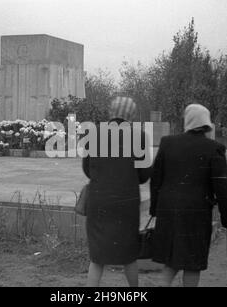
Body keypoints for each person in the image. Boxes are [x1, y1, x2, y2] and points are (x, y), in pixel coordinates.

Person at [150, 104, 227, 287]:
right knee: (192, 264)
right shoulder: (214, 148)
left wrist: (154, 209)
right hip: (197, 213)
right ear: (206, 123)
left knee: (171, 262)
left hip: (168, 210)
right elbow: (222, 187)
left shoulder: (167, 142)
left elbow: (156, 178)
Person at [82, 96, 152, 287]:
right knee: (129, 255)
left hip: (99, 202)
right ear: (131, 115)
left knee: (97, 258)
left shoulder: (94, 134)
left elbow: (87, 170)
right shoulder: (139, 136)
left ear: (111, 112)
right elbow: (144, 175)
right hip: (126, 204)